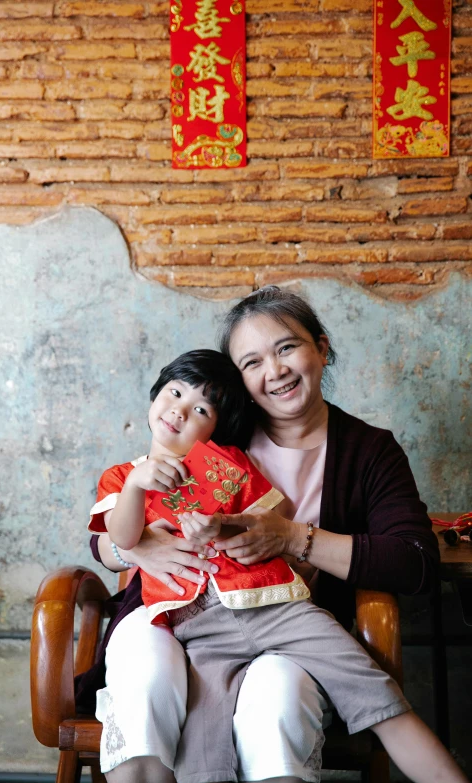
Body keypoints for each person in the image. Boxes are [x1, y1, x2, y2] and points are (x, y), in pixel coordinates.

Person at [76, 287, 461, 783]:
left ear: (321, 348)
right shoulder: (217, 431)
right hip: (193, 621)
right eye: (251, 362)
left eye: (286, 348)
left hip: (289, 620)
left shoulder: (370, 451)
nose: (273, 371)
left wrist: (294, 539)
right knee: (186, 720)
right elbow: (121, 516)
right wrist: (134, 546)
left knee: (277, 700)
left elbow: (414, 563)